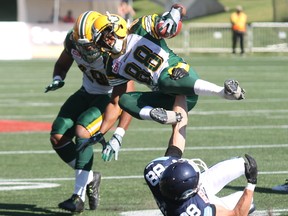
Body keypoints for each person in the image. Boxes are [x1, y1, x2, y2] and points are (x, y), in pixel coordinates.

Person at [78, 4, 246, 159]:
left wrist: (174, 14)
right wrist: (111, 135)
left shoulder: (141, 26)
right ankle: (166, 141)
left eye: (106, 36)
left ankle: (224, 92)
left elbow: (175, 16)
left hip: (179, 74)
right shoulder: (111, 66)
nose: (105, 43)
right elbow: (115, 105)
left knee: (165, 80)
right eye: (101, 41)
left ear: (117, 27)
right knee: (124, 100)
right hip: (164, 95)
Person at [45, 11, 134, 213]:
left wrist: (119, 133)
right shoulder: (73, 40)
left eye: (89, 45)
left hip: (110, 97)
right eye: (82, 45)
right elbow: (61, 64)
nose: (86, 50)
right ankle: (91, 176)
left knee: (82, 131)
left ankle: (78, 196)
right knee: (58, 136)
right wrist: (58, 78)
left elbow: (129, 96)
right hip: (87, 91)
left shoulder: (116, 50)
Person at [144, 95, 258, 216]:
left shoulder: (154, 169)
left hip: (183, 194)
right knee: (246, 201)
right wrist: (251, 183)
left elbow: (175, 147)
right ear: (190, 192)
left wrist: (180, 93)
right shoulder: (195, 211)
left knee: (239, 164)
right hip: (196, 203)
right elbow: (237, 213)